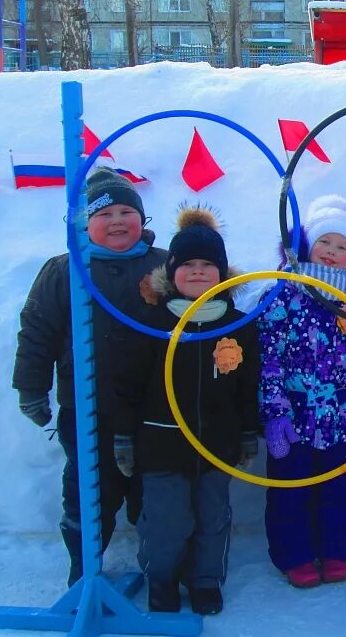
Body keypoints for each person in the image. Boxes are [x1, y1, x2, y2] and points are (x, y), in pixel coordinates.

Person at [12, 166, 167, 587]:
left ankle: (160, 567)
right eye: (104, 214)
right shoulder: (65, 270)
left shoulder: (165, 266)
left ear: (142, 218)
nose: (117, 220)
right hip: (87, 410)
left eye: (125, 211)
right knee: (88, 490)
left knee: (151, 490)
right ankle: (84, 567)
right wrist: (31, 388)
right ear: (84, 223)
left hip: (153, 410)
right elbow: (38, 331)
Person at [112, 206, 260, 615]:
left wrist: (249, 430)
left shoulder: (238, 324)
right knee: (165, 522)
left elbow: (249, 386)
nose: (198, 272)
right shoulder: (149, 324)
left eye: (208, 265)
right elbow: (126, 386)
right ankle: (161, 580)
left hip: (216, 445)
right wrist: (124, 436)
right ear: (171, 271)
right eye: (188, 265)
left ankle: (205, 581)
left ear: (222, 273)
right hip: (161, 447)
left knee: (213, 519)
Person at [257, 195, 346, 588]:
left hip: (342, 420)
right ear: (307, 245)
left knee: (337, 490)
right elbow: (268, 358)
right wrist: (275, 414)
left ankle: (335, 551)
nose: (333, 252)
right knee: (291, 492)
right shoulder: (284, 294)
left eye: (343, 247)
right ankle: (295, 556)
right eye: (326, 243)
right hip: (295, 421)